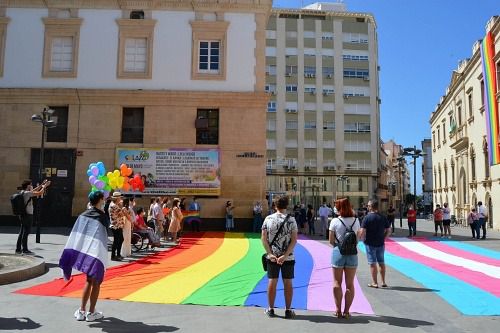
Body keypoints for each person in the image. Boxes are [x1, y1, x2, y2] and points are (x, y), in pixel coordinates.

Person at [59, 190, 108, 322]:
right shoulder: (102, 216)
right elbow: (107, 229)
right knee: (96, 281)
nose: (104, 201)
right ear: (99, 200)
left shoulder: (83, 215)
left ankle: (81, 311)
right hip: (96, 252)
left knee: (88, 280)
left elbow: (76, 234)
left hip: (86, 251)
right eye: (103, 199)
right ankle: (91, 312)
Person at [261, 196, 298, 319]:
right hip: (288, 257)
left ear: (275, 205)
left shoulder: (268, 219)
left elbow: (264, 239)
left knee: (272, 280)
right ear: (286, 205)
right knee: (288, 282)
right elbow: (294, 240)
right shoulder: (292, 220)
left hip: (272, 257)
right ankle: (288, 310)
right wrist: (285, 255)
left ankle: (271, 309)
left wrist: (270, 253)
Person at [328, 197, 360, 319]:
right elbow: (357, 239)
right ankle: (347, 311)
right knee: (350, 284)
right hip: (352, 253)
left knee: (337, 282)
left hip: (338, 253)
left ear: (339, 208)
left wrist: (339, 244)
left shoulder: (335, 221)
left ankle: (338, 310)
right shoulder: (356, 221)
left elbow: (331, 241)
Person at [359, 200, 391, 289]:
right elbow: (389, 230)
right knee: (381, 262)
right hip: (380, 243)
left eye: (368, 205)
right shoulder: (383, 217)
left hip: (370, 243)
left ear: (371, 207)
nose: (367, 207)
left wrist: (362, 239)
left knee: (372, 263)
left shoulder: (367, 218)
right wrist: (384, 238)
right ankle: (383, 282)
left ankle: (374, 282)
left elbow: (362, 231)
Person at [15, 179, 50, 255]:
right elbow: (40, 193)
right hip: (28, 215)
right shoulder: (27, 193)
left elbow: (34, 191)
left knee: (21, 232)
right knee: (26, 232)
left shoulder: (23, 192)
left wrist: (41, 185)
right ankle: (25, 249)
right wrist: (45, 186)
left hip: (23, 215)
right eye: (31, 185)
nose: (32, 186)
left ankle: (18, 249)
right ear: (28, 186)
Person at [108, 192, 125, 261]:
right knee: (117, 240)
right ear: (117, 198)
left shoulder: (114, 205)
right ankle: (114, 256)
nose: (121, 199)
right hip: (116, 226)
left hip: (117, 225)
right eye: (120, 198)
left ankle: (117, 254)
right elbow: (121, 214)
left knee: (120, 239)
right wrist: (121, 207)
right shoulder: (114, 206)